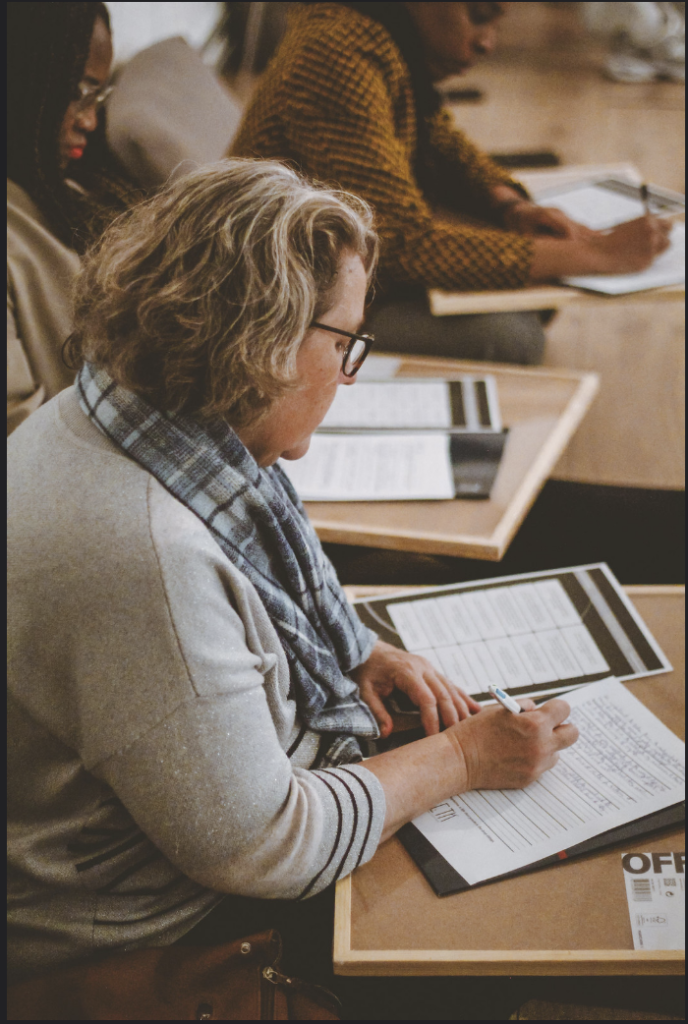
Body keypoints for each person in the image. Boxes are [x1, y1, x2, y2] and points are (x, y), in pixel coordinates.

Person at [8, 159, 578, 1015]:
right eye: (344, 341)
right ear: (264, 338)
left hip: (176, 843)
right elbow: (264, 847)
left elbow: (240, 600)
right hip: (158, 928)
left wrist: (358, 646)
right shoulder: (144, 558)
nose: (349, 373)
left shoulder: (119, 413)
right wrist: (463, 757)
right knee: (521, 930)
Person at [231, 1, 672, 364]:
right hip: (282, 307)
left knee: (531, 288)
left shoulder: (377, 35)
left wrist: (510, 205)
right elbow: (401, 245)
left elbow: (438, 138)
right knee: (512, 336)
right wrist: (595, 253)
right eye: (478, 15)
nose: (487, 43)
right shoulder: (336, 53)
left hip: (338, 274)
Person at [7, 1, 138, 434]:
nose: (90, 120)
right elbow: (17, 436)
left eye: (98, 97)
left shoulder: (71, 191)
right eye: (76, 92)